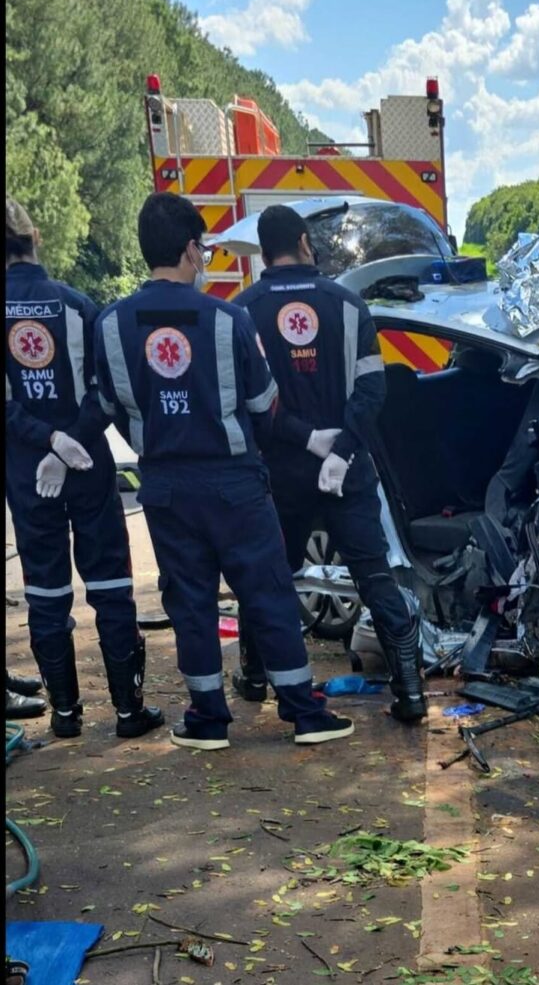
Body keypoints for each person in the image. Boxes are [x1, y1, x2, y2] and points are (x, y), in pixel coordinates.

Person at [93, 192, 353, 751]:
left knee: (189, 601)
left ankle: (208, 718)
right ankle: (303, 712)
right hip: (234, 484)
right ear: (192, 249)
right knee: (267, 593)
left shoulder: (111, 325)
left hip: (164, 486)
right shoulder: (228, 319)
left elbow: (110, 406)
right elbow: (264, 405)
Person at [232, 204, 426, 723]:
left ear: (264, 248)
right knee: (374, 576)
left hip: (279, 474)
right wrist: (340, 450)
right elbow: (372, 388)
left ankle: (254, 677)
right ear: (303, 241)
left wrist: (307, 439)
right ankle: (411, 693)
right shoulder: (347, 304)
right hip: (349, 474)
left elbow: (251, 403)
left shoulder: (241, 312)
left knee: (269, 577)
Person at [4, 197, 163, 738]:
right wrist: (68, 439)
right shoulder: (76, 306)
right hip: (89, 469)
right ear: (35, 237)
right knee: (112, 587)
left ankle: (66, 716)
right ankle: (127, 711)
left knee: (46, 595)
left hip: (28, 480)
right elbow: (108, 391)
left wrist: (44, 442)